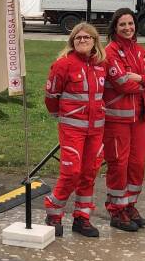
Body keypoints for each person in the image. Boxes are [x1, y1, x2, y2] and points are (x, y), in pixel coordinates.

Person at [102, 9, 145, 231]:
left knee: (137, 165)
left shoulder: (142, 51)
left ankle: (130, 205)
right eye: (122, 25)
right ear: (114, 28)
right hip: (117, 121)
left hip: (139, 118)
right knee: (119, 165)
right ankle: (116, 211)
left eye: (130, 23)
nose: (127, 28)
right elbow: (122, 83)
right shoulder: (109, 53)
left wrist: (141, 78)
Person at [44, 22, 107, 238]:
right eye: (78, 38)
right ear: (72, 41)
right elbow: (51, 96)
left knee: (89, 173)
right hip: (72, 129)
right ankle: (53, 212)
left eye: (86, 38)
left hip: (96, 130)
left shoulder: (101, 65)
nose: (82, 41)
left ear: (94, 41)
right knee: (71, 172)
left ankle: (82, 217)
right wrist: (62, 117)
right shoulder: (63, 65)